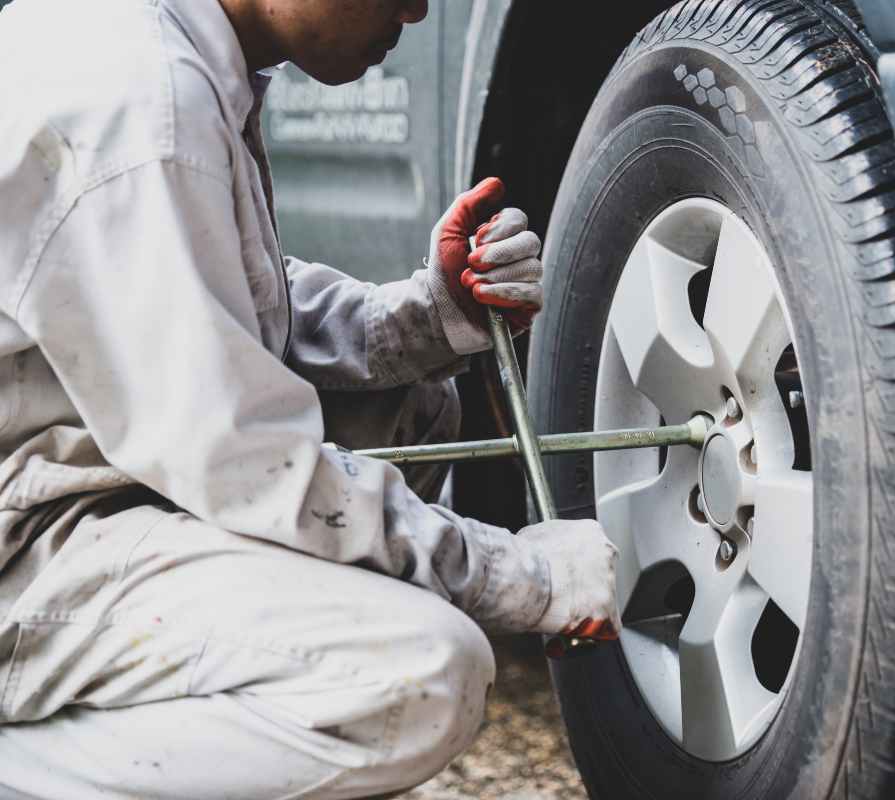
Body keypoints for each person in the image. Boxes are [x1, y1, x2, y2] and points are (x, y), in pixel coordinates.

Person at [0, 0, 620, 796]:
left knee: (413, 410)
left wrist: (427, 319)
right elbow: (246, 462)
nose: (419, 7)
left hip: (56, 483)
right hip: (22, 559)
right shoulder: (140, 100)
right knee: (421, 676)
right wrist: (522, 577)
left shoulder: (163, 48)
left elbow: (203, 297)